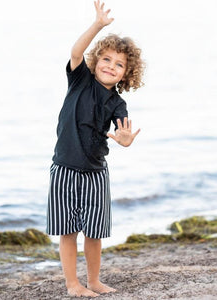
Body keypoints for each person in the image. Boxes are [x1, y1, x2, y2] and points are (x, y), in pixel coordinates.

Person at [46, 0, 144, 297]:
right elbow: (76, 51)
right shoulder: (80, 81)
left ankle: (94, 281)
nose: (111, 66)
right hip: (64, 167)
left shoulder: (118, 103)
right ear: (96, 60)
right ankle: (73, 284)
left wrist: (125, 141)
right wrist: (98, 25)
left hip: (95, 173)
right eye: (107, 59)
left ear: (126, 75)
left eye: (119, 65)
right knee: (68, 231)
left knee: (94, 232)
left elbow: (122, 132)